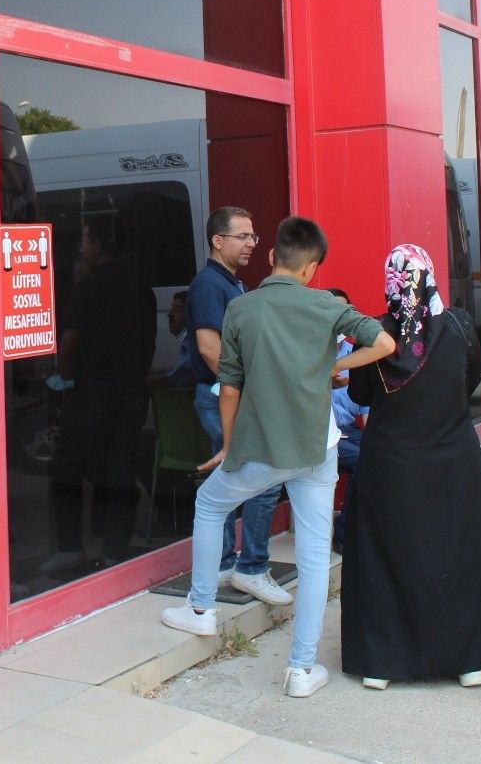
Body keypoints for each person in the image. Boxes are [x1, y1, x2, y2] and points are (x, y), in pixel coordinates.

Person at [161, 216, 394, 699]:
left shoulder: (241, 308)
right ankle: (301, 669)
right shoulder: (327, 304)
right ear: (312, 267)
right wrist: (333, 366)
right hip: (318, 448)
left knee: (211, 504)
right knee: (314, 557)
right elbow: (384, 343)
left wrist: (229, 445)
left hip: (264, 447)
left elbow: (229, 387)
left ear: (272, 256)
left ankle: (202, 608)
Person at [341, 244, 481, 689]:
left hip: (391, 466)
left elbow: (360, 394)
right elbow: (469, 381)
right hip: (454, 461)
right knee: (456, 553)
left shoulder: (377, 334)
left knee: (387, 556)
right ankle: (466, 661)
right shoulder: (458, 327)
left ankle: (382, 663)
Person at [41, 216, 156, 576]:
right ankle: (114, 551)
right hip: (131, 393)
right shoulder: (141, 287)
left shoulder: (89, 287)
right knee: (121, 470)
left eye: (85, 242)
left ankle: (70, 548)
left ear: (99, 246)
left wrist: (63, 376)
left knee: (66, 467)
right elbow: (149, 343)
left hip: (91, 392)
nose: (81, 248)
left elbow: (69, 344)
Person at [185, 206, 287, 605]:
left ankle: (228, 562)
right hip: (222, 397)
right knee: (261, 478)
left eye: (253, 237)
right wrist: (244, 392)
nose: (251, 244)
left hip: (230, 395)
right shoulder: (208, 285)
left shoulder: (231, 282)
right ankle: (251, 568)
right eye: (242, 236)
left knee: (233, 480)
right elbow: (210, 349)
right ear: (217, 240)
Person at [326, 289, 368, 554]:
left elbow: (367, 411)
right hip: (322, 434)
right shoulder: (309, 352)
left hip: (350, 430)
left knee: (388, 452)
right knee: (365, 460)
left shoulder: (358, 355)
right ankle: (344, 534)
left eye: (342, 311)